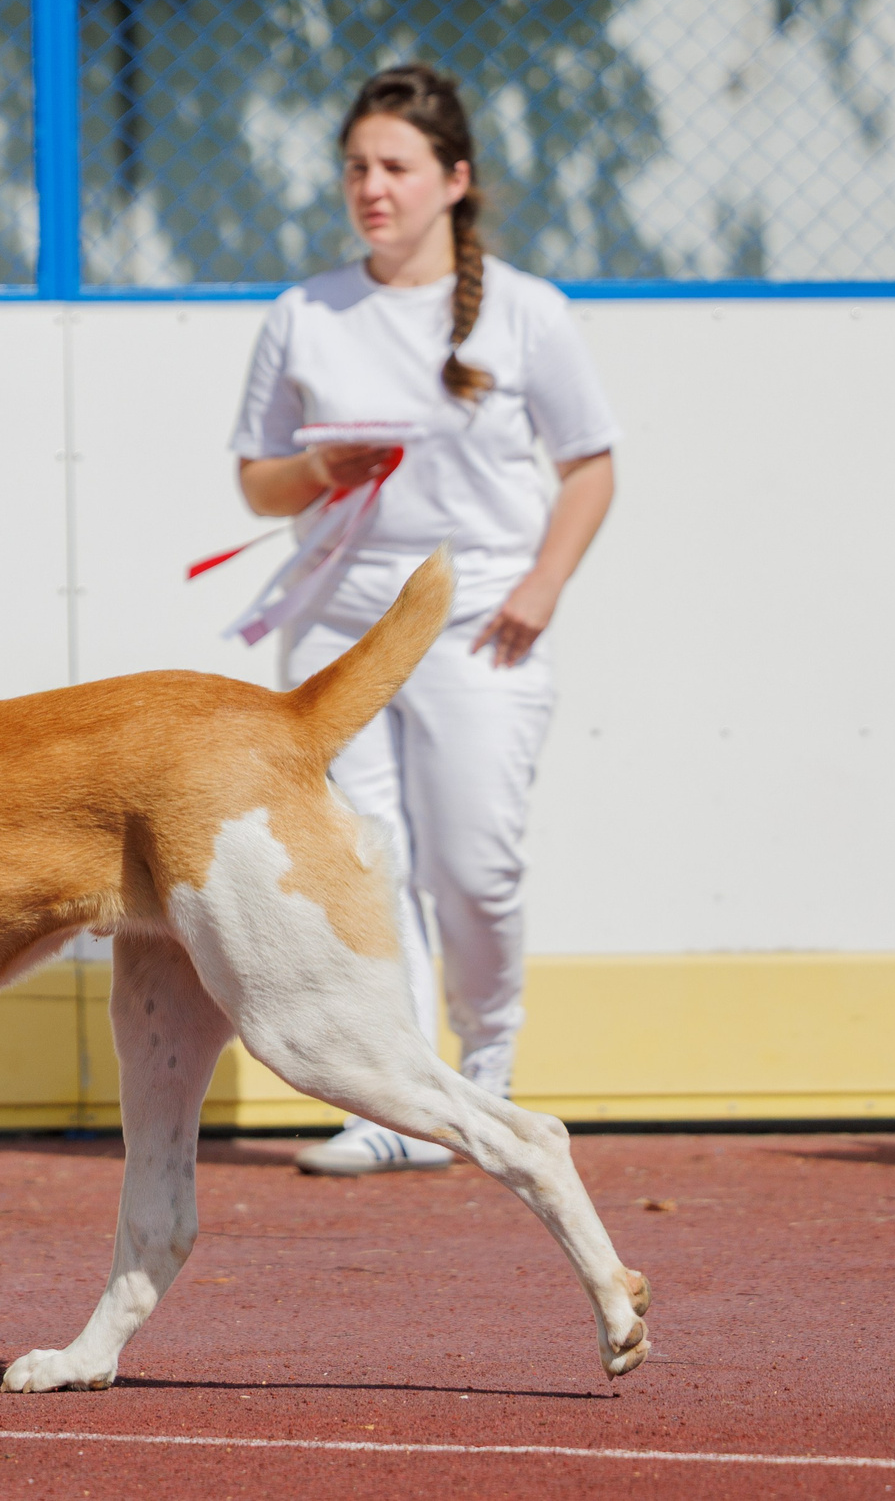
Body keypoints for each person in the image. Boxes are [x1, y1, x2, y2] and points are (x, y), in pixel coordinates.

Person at [228, 64, 619, 1176]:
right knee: (363, 861)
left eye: (395, 167)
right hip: (342, 624)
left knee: (474, 866)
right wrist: (315, 468)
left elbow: (589, 469)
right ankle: (396, 1102)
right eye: (355, 166)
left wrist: (539, 588)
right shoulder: (303, 310)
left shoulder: (527, 308)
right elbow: (258, 485)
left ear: (454, 180)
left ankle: (486, 1070)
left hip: (482, 619)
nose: (371, 188)